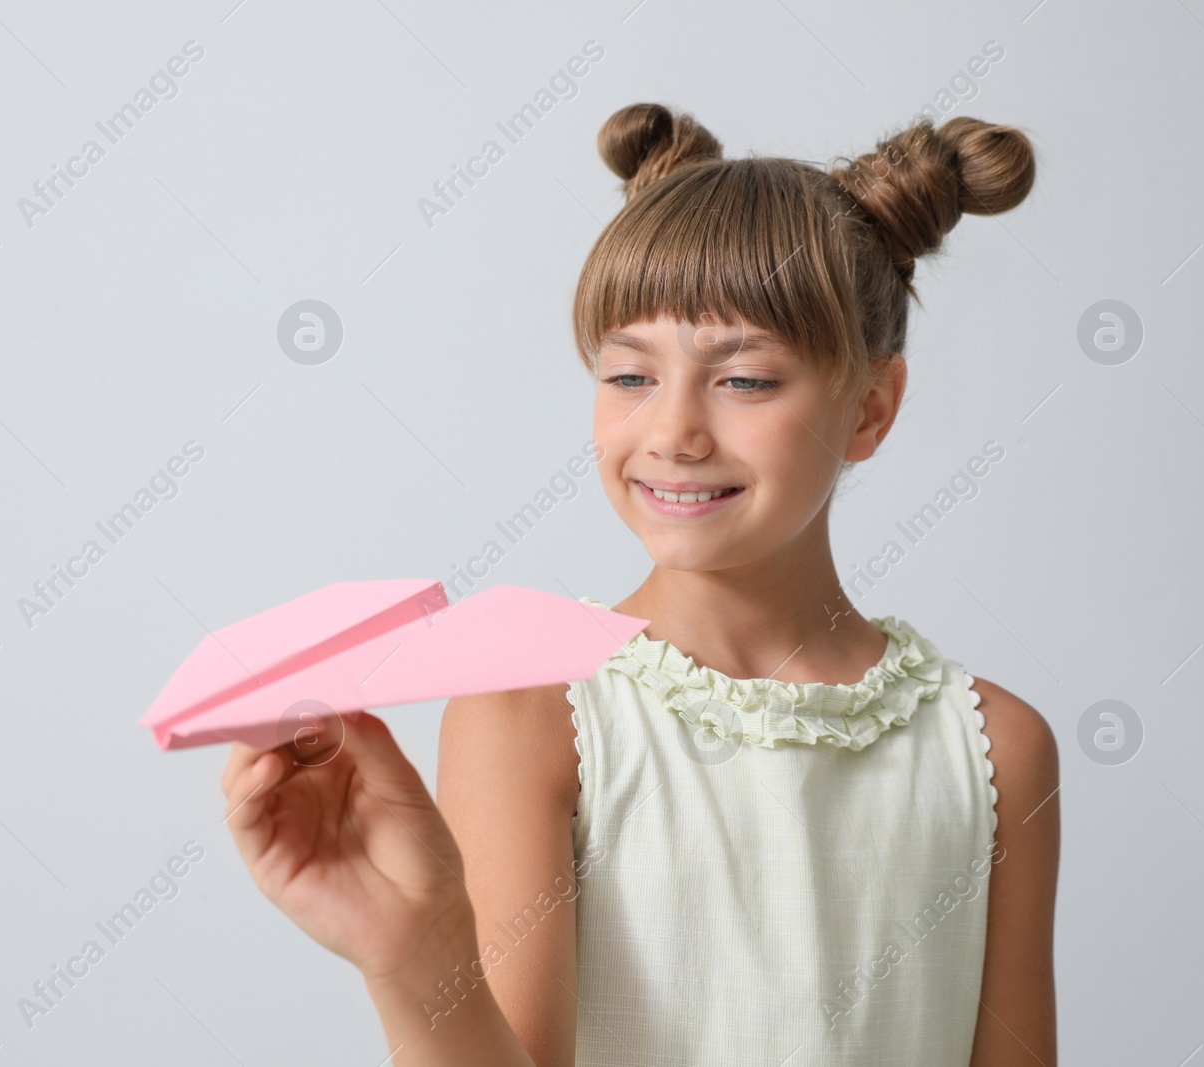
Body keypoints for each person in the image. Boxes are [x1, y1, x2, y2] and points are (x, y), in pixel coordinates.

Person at [221, 102, 1060, 1066]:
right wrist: (413, 952)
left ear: (871, 408)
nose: (673, 432)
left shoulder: (996, 749)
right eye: (629, 376)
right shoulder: (532, 714)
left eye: (744, 380)